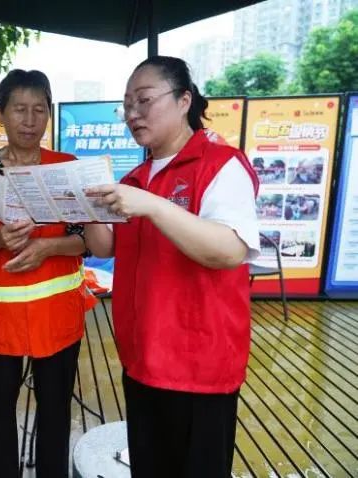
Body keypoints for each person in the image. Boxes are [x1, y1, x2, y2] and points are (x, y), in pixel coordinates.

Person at [83, 56, 260, 478]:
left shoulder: (220, 164)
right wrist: (83, 205)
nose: (133, 114)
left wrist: (155, 206)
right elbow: (104, 245)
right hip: (142, 359)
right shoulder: (135, 178)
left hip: (199, 368)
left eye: (144, 100)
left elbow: (229, 250)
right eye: (127, 105)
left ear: (184, 101)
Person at [0, 69, 91, 478]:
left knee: (56, 412)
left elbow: (86, 238)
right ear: (1, 113)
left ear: (49, 113)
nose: (30, 121)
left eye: (39, 110)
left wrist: (49, 247)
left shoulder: (66, 168)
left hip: (57, 317)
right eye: (19, 110)